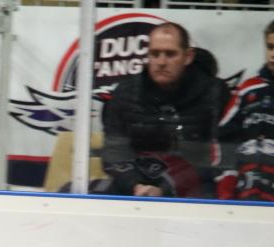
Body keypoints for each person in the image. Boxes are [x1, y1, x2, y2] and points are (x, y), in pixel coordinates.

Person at [99, 22, 223, 199]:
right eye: (155, 54)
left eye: (170, 54)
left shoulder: (214, 94)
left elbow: (216, 160)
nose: (161, 62)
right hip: (134, 192)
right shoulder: (125, 93)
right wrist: (136, 185)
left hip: (193, 195)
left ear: (188, 56)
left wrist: (166, 188)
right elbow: (114, 153)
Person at [216, 19, 274, 202]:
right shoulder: (248, 89)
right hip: (245, 192)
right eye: (270, 47)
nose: (273, 55)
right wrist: (226, 185)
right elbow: (224, 137)